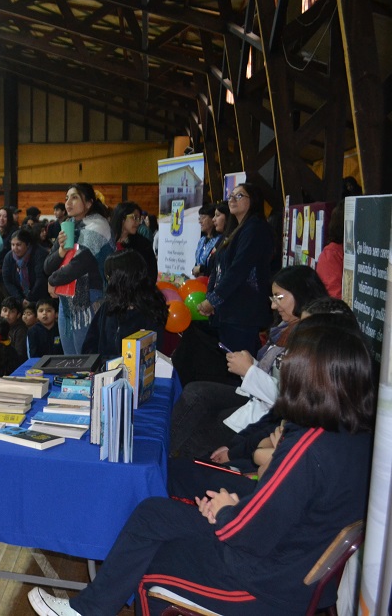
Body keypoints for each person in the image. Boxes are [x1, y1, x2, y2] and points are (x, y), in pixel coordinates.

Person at [28, 320, 375, 616]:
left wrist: (225, 513)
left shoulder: (308, 447)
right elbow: (284, 511)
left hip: (261, 581)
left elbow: (250, 533)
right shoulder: (357, 436)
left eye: (289, 363)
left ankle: (87, 609)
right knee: (154, 516)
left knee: (152, 548)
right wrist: (233, 509)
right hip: (289, 568)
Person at [170, 265, 329, 459]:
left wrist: (250, 370)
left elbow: (289, 398)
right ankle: (164, 453)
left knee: (198, 434)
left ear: (301, 293)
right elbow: (274, 372)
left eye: (279, 297)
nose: (273, 306)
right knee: (196, 393)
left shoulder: (311, 338)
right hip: (259, 398)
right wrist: (250, 364)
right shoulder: (286, 327)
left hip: (271, 412)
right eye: (273, 298)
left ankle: (168, 460)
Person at [195, 183, 274, 356]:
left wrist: (213, 300)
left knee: (239, 365)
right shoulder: (234, 229)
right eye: (231, 196)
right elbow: (217, 267)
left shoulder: (255, 228)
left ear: (253, 200)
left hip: (243, 311)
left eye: (239, 196)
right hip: (229, 309)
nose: (232, 199)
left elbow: (239, 270)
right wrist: (212, 298)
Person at [45, 183, 112, 355]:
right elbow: (47, 266)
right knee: (70, 362)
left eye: (74, 197)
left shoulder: (98, 225)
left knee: (86, 362)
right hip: (66, 302)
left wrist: (53, 280)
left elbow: (80, 264)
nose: (68, 202)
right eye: (66, 198)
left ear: (89, 203)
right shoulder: (68, 225)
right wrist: (61, 251)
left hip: (89, 299)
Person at [82, 250, 167, 361]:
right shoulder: (108, 308)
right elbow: (88, 348)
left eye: (110, 277)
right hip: (103, 373)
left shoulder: (151, 313)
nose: (108, 281)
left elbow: (149, 358)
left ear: (123, 280)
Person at [109, 201, 157, 283]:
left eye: (139, 219)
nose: (138, 222)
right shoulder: (108, 239)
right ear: (122, 217)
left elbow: (151, 274)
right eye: (134, 217)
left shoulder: (142, 244)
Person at [1, 228, 49, 308]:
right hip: (19, 298)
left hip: (41, 297)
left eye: (18, 244)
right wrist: (20, 299)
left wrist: (29, 299)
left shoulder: (40, 254)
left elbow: (41, 279)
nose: (15, 248)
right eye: (12, 245)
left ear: (28, 244)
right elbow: (7, 280)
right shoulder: (9, 256)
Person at [192, 203, 222, 277]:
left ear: (212, 218)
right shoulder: (202, 240)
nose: (200, 221)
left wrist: (201, 269)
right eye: (199, 218)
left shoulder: (220, 240)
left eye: (203, 217)